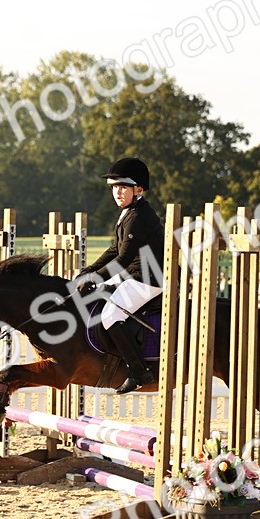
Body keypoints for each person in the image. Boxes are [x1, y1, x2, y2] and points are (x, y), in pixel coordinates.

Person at [73, 157, 164, 394]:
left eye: (123, 187)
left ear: (139, 189)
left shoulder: (138, 216)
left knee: (111, 314)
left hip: (150, 279)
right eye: (114, 187)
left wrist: (95, 279)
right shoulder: (129, 212)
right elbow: (115, 250)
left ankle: (139, 371)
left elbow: (122, 260)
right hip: (135, 275)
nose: (117, 192)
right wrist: (89, 271)